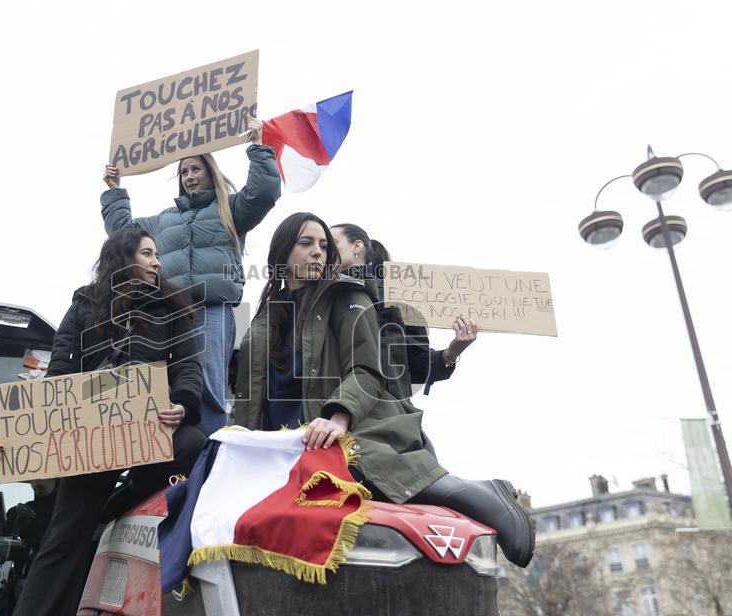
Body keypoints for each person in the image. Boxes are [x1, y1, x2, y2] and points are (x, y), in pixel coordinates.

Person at [231, 213, 535, 569]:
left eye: (324, 245)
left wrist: (338, 416)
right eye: (306, 243)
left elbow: (367, 368)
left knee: (366, 472)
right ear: (282, 252)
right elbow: (247, 393)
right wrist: (235, 443)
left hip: (346, 427)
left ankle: (482, 495)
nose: (318, 252)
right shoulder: (264, 315)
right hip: (277, 445)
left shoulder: (347, 295)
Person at [0, 229, 208, 616]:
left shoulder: (173, 311)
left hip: (150, 433)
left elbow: (188, 372)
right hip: (92, 444)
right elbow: (59, 379)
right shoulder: (83, 307)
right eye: (148, 253)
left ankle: (114, 509)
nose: (157, 262)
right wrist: (20, 436)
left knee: (194, 443)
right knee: (63, 540)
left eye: (157, 254)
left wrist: (181, 406)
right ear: (122, 258)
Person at [102, 123, 281, 437]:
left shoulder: (229, 210)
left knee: (209, 383)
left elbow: (264, 193)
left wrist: (258, 146)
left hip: (212, 310)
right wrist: (115, 190)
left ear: (211, 172)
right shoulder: (163, 220)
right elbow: (122, 235)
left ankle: (209, 450)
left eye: (196, 169)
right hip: (169, 313)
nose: (189, 176)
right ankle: (176, 451)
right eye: (184, 171)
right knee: (170, 383)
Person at [331, 222, 477, 396]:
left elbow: (416, 367)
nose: (323, 251)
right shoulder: (313, 294)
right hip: (317, 411)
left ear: (357, 246)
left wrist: (452, 353)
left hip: (380, 412)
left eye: (331, 243)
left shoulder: (397, 296)